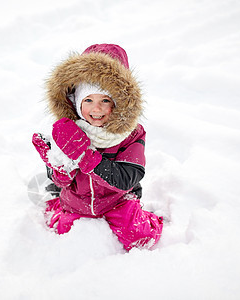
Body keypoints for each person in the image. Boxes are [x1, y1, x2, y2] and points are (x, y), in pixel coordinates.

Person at [32, 44, 163, 251]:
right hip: (76, 201)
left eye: (105, 100)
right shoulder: (68, 132)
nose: (97, 108)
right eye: (89, 100)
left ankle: (151, 220)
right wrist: (58, 167)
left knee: (140, 238)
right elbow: (61, 180)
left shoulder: (131, 134)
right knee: (62, 237)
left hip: (118, 201)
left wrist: (86, 157)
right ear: (76, 103)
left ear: (119, 103)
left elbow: (128, 177)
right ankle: (57, 208)